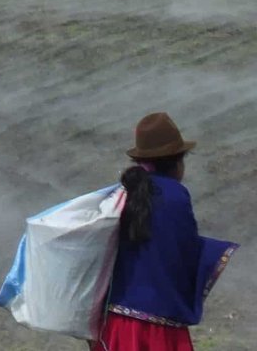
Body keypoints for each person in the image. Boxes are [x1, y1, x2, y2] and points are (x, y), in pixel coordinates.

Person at [92, 112, 238, 351]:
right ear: (178, 162)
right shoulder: (175, 195)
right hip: (158, 326)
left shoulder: (123, 194)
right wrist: (217, 251)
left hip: (117, 320)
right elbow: (182, 254)